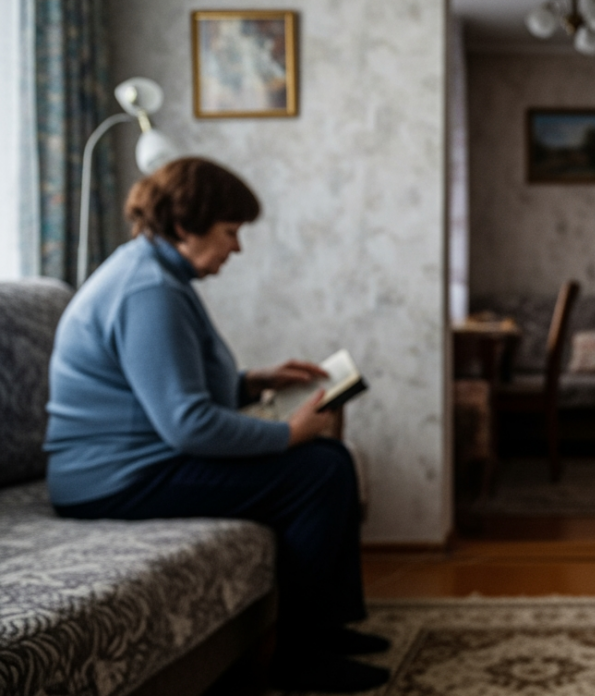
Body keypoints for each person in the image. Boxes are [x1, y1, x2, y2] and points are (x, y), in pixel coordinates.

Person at [44, 157, 389, 693]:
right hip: (114, 479)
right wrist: (289, 432)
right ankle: (303, 658)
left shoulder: (154, 274)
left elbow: (168, 387)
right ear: (185, 226)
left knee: (328, 463)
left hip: (133, 463)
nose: (237, 247)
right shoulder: (148, 291)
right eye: (230, 232)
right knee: (318, 470)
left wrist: (253, 380)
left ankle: (325, 632)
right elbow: (188, 425)